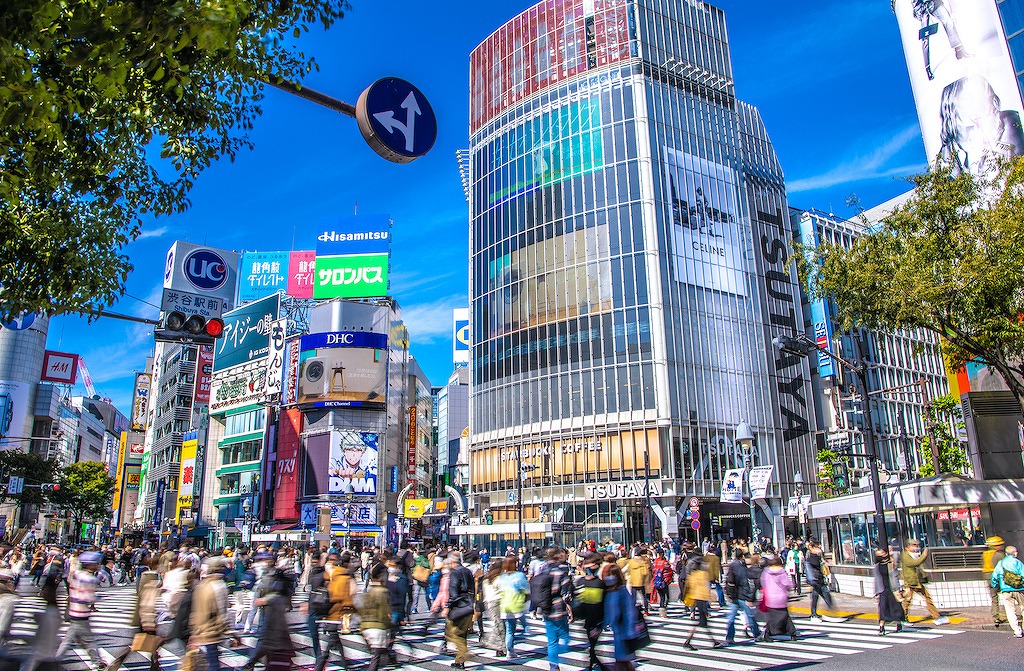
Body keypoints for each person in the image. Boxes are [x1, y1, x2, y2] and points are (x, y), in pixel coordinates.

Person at [55, 551, 106, 670]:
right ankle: (98, 662)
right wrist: (98, 597)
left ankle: (56, 659)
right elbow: (88, 598)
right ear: (90, 565)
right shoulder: (88, 579)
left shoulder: (76, 574)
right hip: (81, 613)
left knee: (68, 640)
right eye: (96, 563)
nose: (98, 565)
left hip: (73, 611)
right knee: (88, 640)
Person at [240, 568, 295, 671]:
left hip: (276, 650)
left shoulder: (273, 603)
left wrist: (252, 661)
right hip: (282, 649)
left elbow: (266, 638)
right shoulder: (280, 600)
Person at [189, 557, 237, 671]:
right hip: (213, 630)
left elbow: (196, 610)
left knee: (208, 661)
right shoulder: (219, 586)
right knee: (213, 662)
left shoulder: (201, 585)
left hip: (200, 629)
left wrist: (194, 632)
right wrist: (231, 633)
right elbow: (222, 613)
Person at [899, 539, 949, 625]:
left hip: (916, 580)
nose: (916, 547)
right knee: (907, 601)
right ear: (908, 546)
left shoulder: (914, 554)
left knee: (926, 598)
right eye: (914, 545)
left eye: (917, 545)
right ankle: (903, 618)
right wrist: (924, 555)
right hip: (910, 581)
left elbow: (918, 567)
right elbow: (914, 563)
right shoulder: (905, 555)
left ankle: (936, 616)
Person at [574, 553, 608, 671]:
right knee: (592, 644)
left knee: (592, 644)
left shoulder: (594, 583)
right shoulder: (597, 583)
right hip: (592, 619)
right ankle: (595, 664)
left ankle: (593, 663)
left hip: (594, 619)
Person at [601, 560, 636, 671]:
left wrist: (630, 629)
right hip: (616, 630)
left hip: (624, 629)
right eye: (608, 575)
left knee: (622, 659)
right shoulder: (609, 591)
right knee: (623, 659)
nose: (609, 578)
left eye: (612, 575)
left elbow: (630, 610)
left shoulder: (622, 590)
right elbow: (608, 610)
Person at [443, 552, 476, 669]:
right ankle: (459, 661)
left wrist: (448, 606)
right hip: (469, 606)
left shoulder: (455, 573)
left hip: (459, 607)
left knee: (451, 634)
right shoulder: (468, 571)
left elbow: (454, 593)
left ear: (452, 562)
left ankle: (465, 652)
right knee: (462, 634)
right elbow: (473, 588)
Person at [360, 564, 395, 671]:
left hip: (366, 626)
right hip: (378, 627)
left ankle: (391, 658)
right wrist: (390, 625)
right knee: (376, 657)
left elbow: (362, 609)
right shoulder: (382, 591)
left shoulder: (369, 590)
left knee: (378, 654)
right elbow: (384, 613)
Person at [681, 557, 721, 650]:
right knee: (701, 622)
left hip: (696, 598)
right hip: (702, 599)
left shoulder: (692, 575)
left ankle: (713, 641)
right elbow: (705, 588)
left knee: (703, 623)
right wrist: (710, 599)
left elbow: (688, 587)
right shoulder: (703, 574)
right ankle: (687, 642)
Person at [723, 548, 760, 645]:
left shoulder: (732, 566)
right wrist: (749, 597)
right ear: (742, 556)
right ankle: (757, 634)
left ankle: (729, 637)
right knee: (750, 615)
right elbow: (744, 582)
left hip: (733, 595)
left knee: (731, 617)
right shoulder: (740, 567)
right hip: (741, 595)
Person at [760, 555, 798, 641]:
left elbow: (763, 583)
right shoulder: (782, 572)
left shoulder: (766, 572)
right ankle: (791, 632)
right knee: (784, 615)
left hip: (770, 597)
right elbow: (787, 584)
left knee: (773, 616)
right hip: (781, 597)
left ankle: (769, 632)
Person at [497, 556, 528, 660]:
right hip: (516, 604)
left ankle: (509, 651)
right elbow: (526, 589)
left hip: (505, 605)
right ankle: (526, 629)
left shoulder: (503, 576)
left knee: (509, 630)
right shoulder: (519, 575)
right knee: (519, 626)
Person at [991, 545, 1024, 638]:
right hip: (1019, 589)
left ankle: (1017, 631)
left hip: (1005, 590)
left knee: (1010, 611)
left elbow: (994, 576)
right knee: (1023, 608)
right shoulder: (1018, 563)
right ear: (1015, 553)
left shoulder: (1000, 563)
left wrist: (996, 586)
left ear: (1006, 554)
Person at [873, 549, 905, 636]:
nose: (881, 556)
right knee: (882, 609)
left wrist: (899, 588)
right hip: (882, 590)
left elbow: (895, 577)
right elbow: (876, 580)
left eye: (882, 553)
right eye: (878, 554)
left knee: (896, 607)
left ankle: (899, 624)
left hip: (892, 589)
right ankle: (881, 627)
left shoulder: (891, 564)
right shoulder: (877, 566)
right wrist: (876, 592)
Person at [804, 540, 834, 622]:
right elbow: (816, 565)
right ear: (813, 548)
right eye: (818, 547)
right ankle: (828, 612)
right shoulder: (811, 556)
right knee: (823, 594)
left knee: (817, 595)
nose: (820, 548)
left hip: (818, 579)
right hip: (815, 579)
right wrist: (822, 560)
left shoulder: (815, 555)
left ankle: (815, 613)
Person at [480, 562, 506, 654]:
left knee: (497, 623)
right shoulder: (498, 579)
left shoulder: (486, 579)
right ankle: (500, 646)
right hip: (497, 602)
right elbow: (503, 591)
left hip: (488, 602)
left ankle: (495, 643)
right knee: (500, 625)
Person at [982, 535, 1008, 627]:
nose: (1001, 546)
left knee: (994, 598)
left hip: (988, 578)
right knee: (1007, 596)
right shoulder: (999, 555)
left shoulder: (984, 555)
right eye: (999, 544)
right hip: (998, 578)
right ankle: (1008, 614)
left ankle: (995, 616)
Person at [650, 551, 673, 618]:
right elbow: (669, 570)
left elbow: (653, 570)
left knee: (661, 596)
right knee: (665, 596)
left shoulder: (655, 563)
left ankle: (661, 609)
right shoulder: (665, 562)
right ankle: (662, 609)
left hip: (657, 581)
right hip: (664, 581)